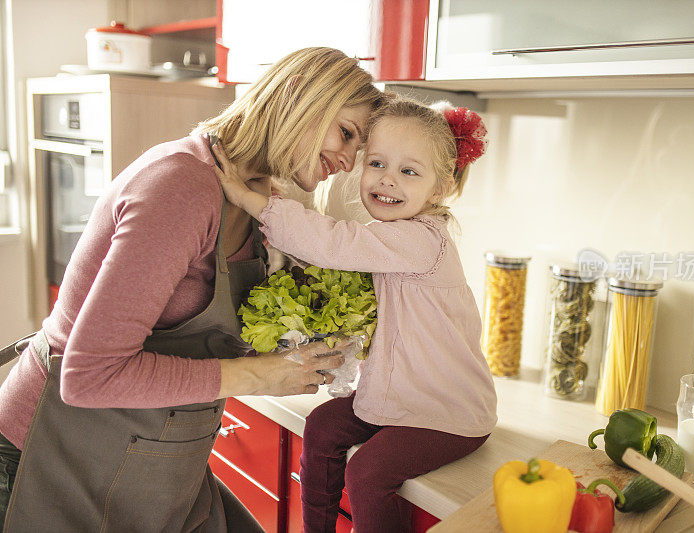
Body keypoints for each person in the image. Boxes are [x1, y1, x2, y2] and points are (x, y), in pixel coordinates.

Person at [0, 47, 385, 532]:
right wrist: (261, 376)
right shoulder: (180, 186)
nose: (349, 162)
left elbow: (206, 330)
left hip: (152, 457)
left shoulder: (260, 197)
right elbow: (87, 376)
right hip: (51, 457)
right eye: (346, 133)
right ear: (296, 97)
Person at [213, 96, 498, 533]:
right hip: (400, 396)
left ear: (439, 189)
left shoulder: (424, 241)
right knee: (323, 426)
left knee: (367, 472)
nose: (387, 180)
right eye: (377, 163)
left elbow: (335, 243)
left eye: (408, 171)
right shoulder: (391, 238)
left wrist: (248, 199)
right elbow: (333, 252)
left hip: (448, 413)